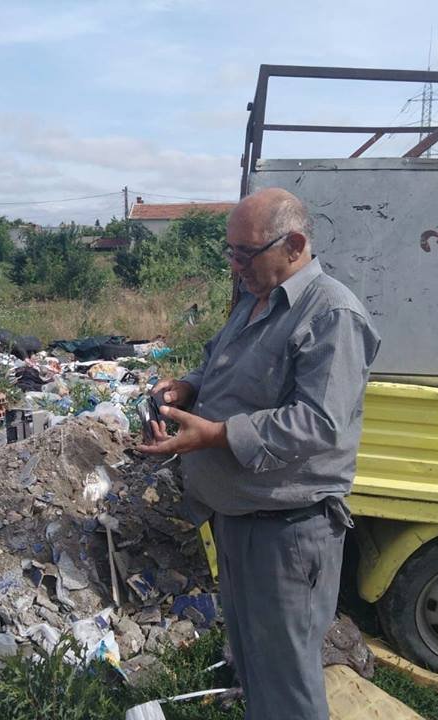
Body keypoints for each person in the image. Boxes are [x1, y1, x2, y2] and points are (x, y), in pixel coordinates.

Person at [139, 188, 380, 720]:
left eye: (244, 253)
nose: (235, 264)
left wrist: (216, 435)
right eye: (230, 252)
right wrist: (187, 388)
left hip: (288, 532)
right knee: (252, 663)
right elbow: (222, 368)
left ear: (294, 245)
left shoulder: (333, 314)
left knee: (286, 682)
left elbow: (318, 422)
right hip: (239, 519)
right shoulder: (256, 296)